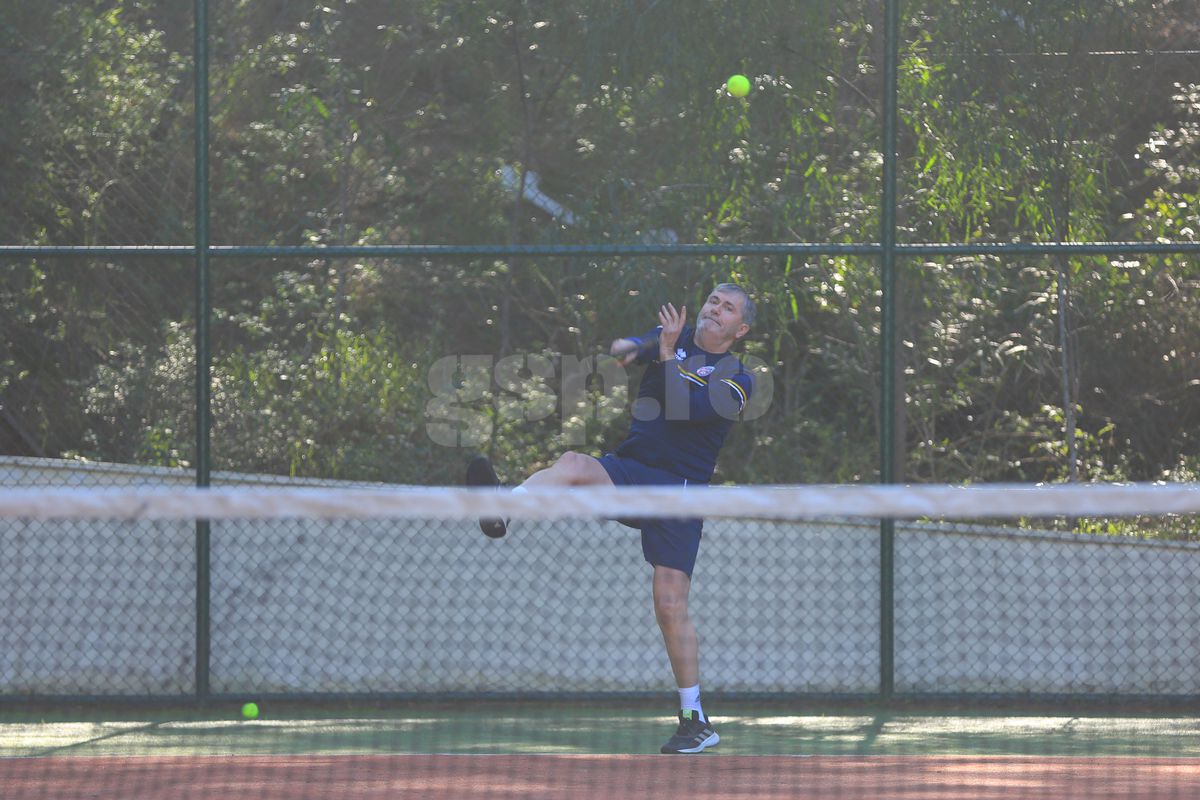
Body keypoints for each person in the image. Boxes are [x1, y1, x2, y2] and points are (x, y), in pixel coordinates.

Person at [466, 283, 755, 754]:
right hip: (631, 468)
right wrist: (631, 347)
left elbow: (687, 410)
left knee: (668, 605)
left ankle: (694, 719)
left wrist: (664, 354)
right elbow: (636, 344)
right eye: (713, 302)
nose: (715, 310)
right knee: (575, 464)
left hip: (678, 492)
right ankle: (504, 508)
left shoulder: (738, 379)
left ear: (740, 329)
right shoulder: (673, 337)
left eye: (727, 309)